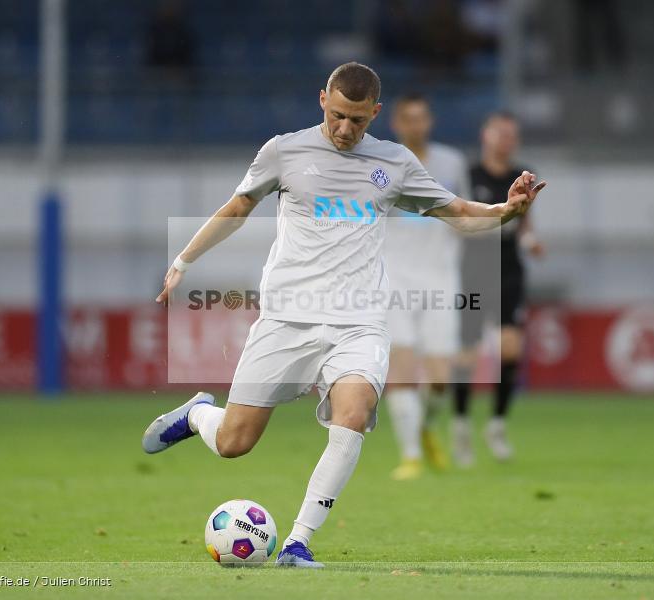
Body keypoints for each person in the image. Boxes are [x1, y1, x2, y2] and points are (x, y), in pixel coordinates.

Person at [142, 63, 546, 568]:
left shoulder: (394, 164)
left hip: (359, 323)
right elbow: (237, 207)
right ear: (321, 101)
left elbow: (458, 213)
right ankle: (199, 412)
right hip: (287, 318)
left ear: (375, 113)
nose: (344, 129)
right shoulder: (283, 151)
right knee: (234, 442)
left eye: (357, 120)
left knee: (352, 414)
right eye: (336, 116)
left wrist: (504, 210)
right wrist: (183, 260)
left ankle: (298, 541)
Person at [383, 93, 470, 480]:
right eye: (408, 119)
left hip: (441, 279)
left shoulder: (452, 163)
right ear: (396, 124)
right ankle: (411, 455)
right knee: (400, 369)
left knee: (439, 379)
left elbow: (464, 214)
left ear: (429, 122)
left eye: (421, 118)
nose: (415, 125)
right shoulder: (380, 165)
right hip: (393, 278)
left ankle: (424, 424)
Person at [452, 111, 545, 465]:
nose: (507, 140)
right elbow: (456, 219)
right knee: (467, 354)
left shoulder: (521, 174)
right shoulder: (468, 174)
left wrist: (531, 241)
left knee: (510, 350)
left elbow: (525, 225)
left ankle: (496, 425)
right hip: (474, 270)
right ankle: (461, 426)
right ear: (485, 135)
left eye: (512, 135)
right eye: (501, 133)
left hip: (509, 270)